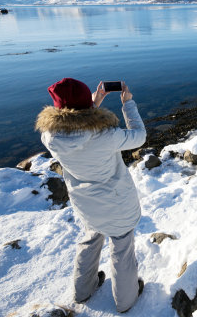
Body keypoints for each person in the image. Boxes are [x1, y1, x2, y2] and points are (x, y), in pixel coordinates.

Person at [35, 78, 146, 313]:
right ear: (85, 102)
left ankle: (83, 291)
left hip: (85, 203)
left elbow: (76, 130)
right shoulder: (106, 134)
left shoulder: (50, 136)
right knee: (121, 247)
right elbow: (138, 136)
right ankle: (126, 301)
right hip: (116, 202)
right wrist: (128, 104)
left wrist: (92, 105)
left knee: (90, 239)